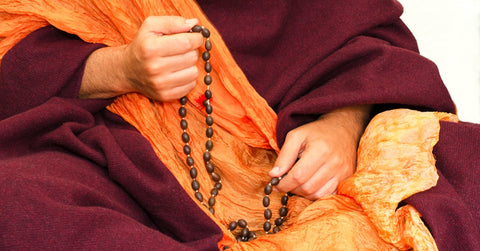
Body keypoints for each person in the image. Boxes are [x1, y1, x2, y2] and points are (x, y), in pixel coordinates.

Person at [0, 0, 478, 250]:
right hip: (116, 146)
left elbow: (366, 39)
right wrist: (120, 69)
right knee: (16, 202)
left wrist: (342, 124)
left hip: (293, 147)